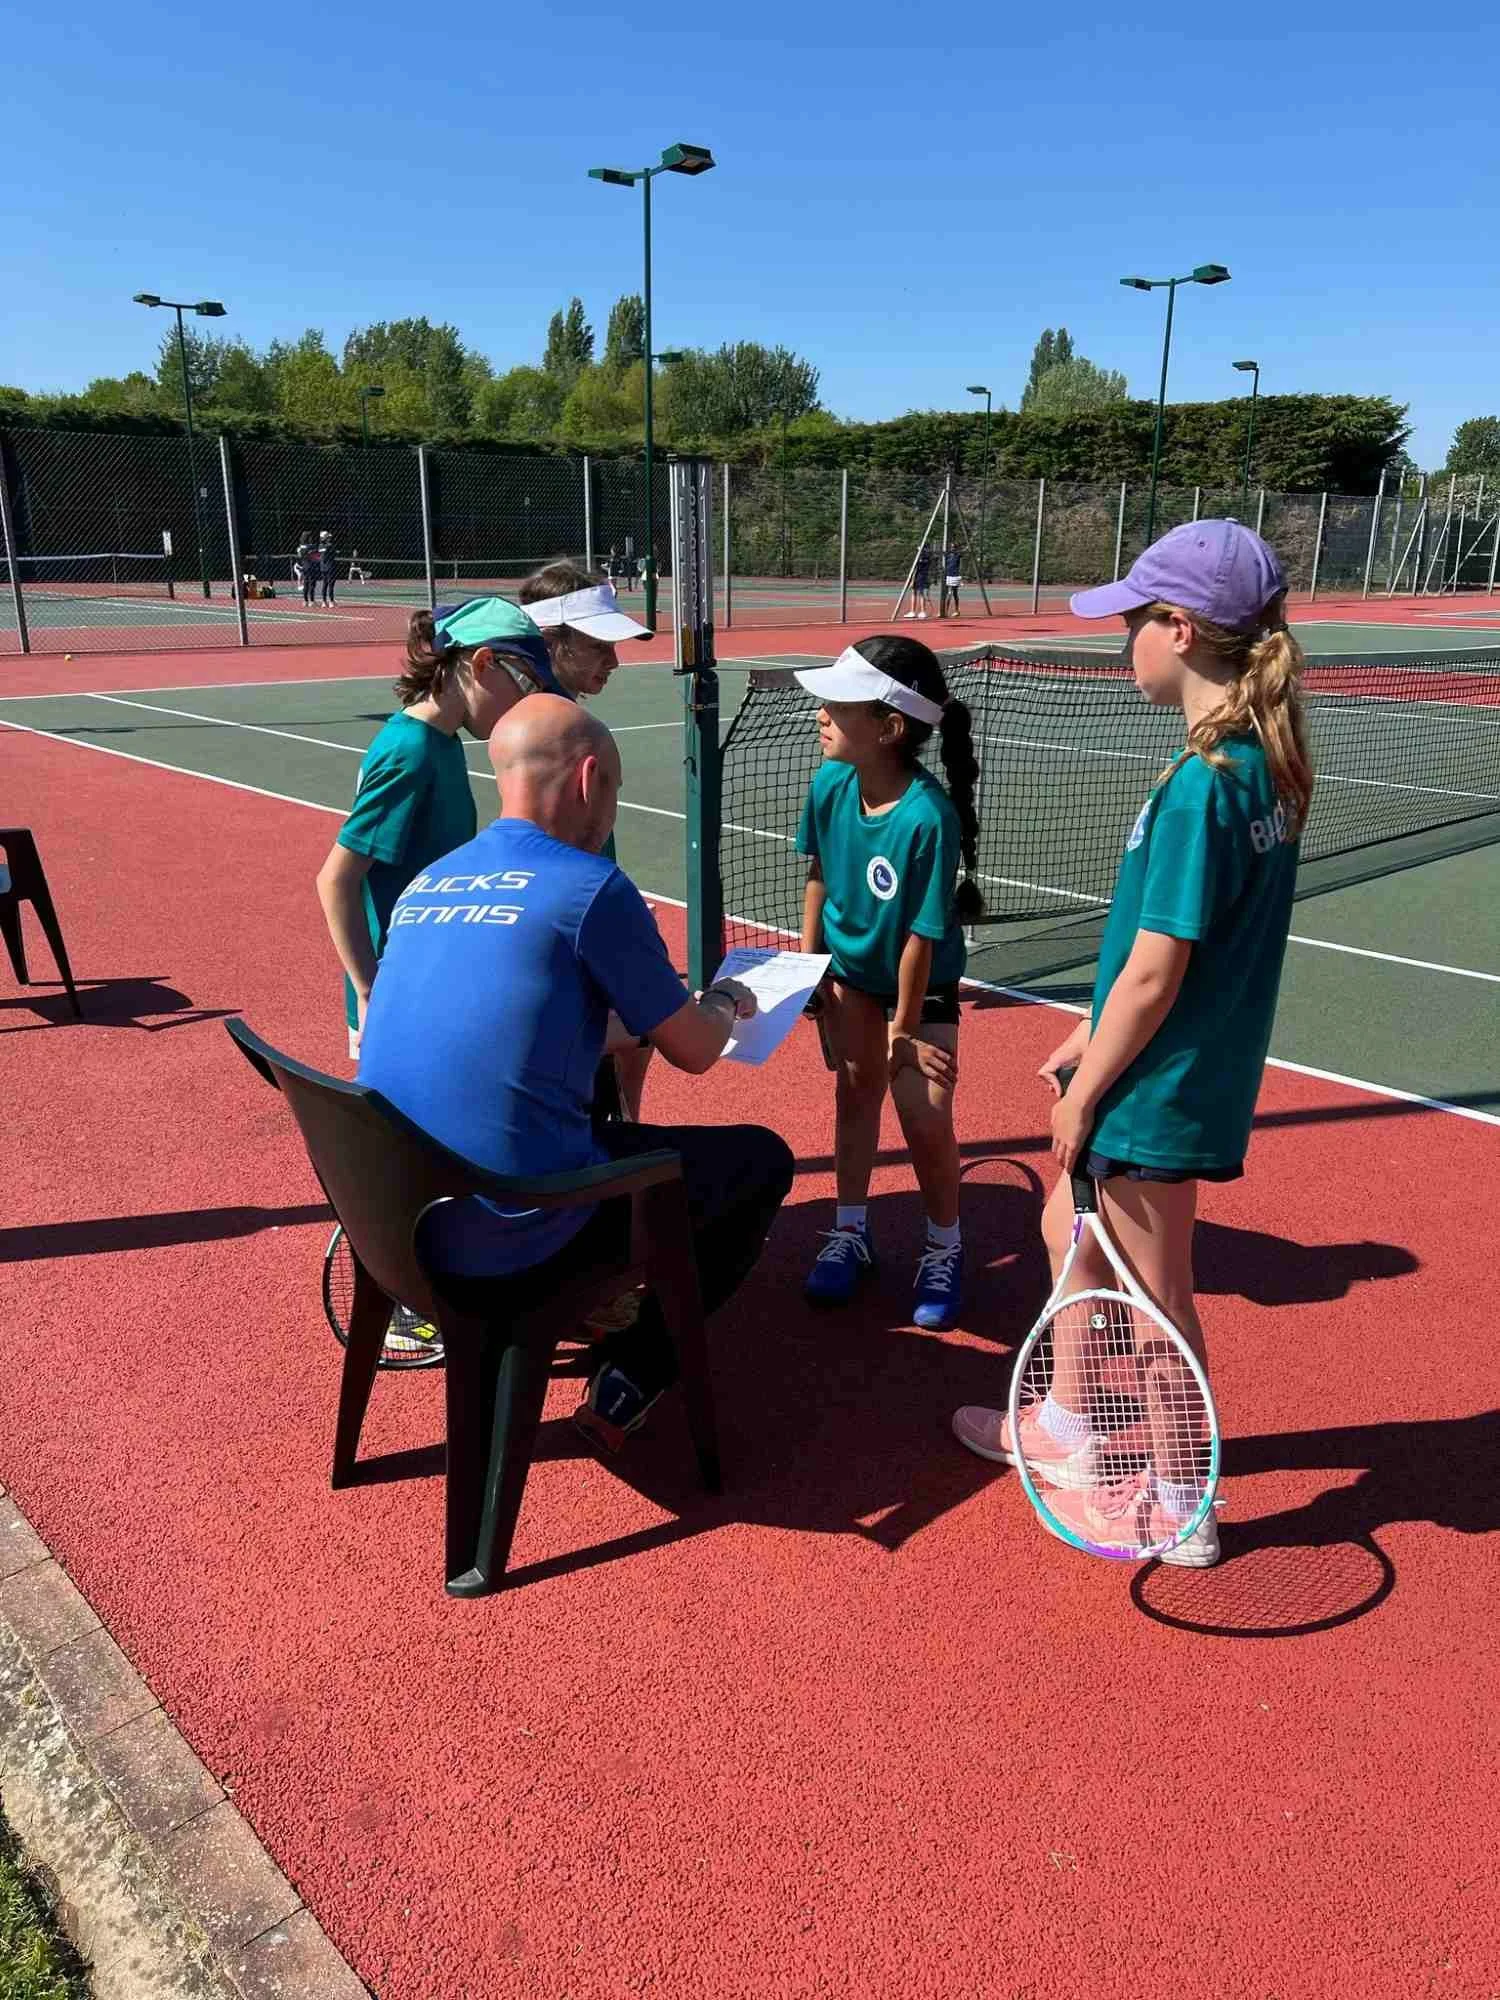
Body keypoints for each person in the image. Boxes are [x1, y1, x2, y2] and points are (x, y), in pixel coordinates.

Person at [952, 520, 1313, 1570]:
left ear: (1182, 628)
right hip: (1158, 1060)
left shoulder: (1208, 783)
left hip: (1160, 1086)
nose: (1123, 642)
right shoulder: (1258, 764)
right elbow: (1158, 959)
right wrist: (1090, 1022)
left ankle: (1181, 1490)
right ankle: (1068, 1418)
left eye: (1132, 622)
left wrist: (1089, 1081)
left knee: (1155, 1301)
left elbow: (1160, 969)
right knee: (1067, 1214)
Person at [356, 695, 796, 1450]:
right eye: (617, 790)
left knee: (590, 1104)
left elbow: (495, 1026)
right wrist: (723, 997)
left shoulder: (428, 884)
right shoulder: (592, 886)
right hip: (515, 1224)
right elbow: (693, 1050)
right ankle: (636, 1366)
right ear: (591, 778)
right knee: (758, 1160)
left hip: (396, 1219)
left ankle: (598, 1307)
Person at [793, 635, 985, 1332]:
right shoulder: (827, 785)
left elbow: (920, 936)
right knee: (854, 1094)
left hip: (920, 984)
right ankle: (850, 1231)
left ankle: (944, 1246)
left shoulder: (929, 817)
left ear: (888, 727)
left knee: (925, 1118)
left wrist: (904, 1031)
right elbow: (818, 875)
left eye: (838, 704)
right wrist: (809, 966)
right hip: (848, 976)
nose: (820, 711)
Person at [316, 596, 559, 1063]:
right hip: (400, 986)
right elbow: (335, 880)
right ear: (482, 662)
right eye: (525, 685)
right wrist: (371, 994)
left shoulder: (441, 743)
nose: (525, 706)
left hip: (428, 970)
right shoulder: (411, 752)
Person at [516, 557, 656, 1119]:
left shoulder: (553, 716)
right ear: (552, 640)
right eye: (600, 645)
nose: (615, 661)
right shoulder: (545, 729)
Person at [906, 547, 932, 621]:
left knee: (918, 593)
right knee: (919, 593)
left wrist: (912, 580)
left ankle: (919, 611)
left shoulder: (921, 558)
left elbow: (915, 570)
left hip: (920, 577)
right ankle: (917, 612)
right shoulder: (927, 557)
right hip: (923, 577)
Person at [940, 547, 962, 619]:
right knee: (949, 593)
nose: (952, 549)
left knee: (953, 593)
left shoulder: (957, 555)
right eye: (951, 547)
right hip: (948, 576)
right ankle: (945, 611)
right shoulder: (948, 556)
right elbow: (943, 554)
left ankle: (954, 611)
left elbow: (962, 551)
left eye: (954, 547)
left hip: (955, 576)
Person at [318, 531, 337, 607]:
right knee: (331, 584)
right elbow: (334, 553)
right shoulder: (330, 546)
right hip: (330, 567)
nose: (330, 538)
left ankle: (324, 602)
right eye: (328, 537)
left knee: (325, 584)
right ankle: (331, 601)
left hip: (323, 567)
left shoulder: (320, 546)